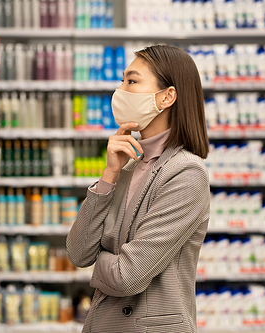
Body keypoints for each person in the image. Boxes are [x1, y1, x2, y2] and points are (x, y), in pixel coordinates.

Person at [66, 45, 210, 333]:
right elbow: (79, 252)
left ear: (167, 97)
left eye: (131, 81)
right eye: (122, 81)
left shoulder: (186, 173)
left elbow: (127, 276)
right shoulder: (130, 166)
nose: (120, 90)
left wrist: (101, 260)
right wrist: (109, 174)